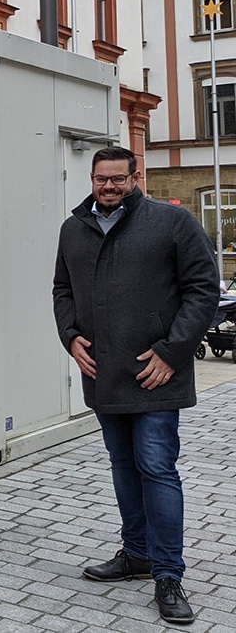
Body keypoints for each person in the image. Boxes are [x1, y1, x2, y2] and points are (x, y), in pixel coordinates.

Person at [53, 146, 216, 625]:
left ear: (135, 177)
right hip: (103, 374)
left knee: (156, 468)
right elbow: (62, 289)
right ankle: (137, 554)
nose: (108, 187)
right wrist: (70, 337)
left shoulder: (170, 223)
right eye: (101, 179)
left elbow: (203, 288)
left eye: (118, 179)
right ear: (91, 178)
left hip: (155, 372)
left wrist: (173, 350)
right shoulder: (73, 228)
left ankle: (168, 574)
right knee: (123, 465)